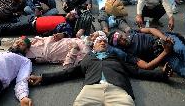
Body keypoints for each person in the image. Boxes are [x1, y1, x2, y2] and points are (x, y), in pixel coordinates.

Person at [28, 35, 170, 106]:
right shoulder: (88, 59)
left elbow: (136, 71)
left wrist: (162, 75)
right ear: (93, 46)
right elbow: (69, 73)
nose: (102, 42)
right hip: (90, 90)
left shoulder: (115, 57)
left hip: (118, 91)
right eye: (99, 42)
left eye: (105, 42)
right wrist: (43, 78)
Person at [0, 9, 82, 40]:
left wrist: (63, 35)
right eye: (71, 12)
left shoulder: (66, 25)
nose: (70, 13)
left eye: (72, 14)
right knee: (9, 22)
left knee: (2, 29)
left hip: (30, 27)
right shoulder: (61, 16)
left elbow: (67, 34)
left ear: (74, 19)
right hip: (31, 19)